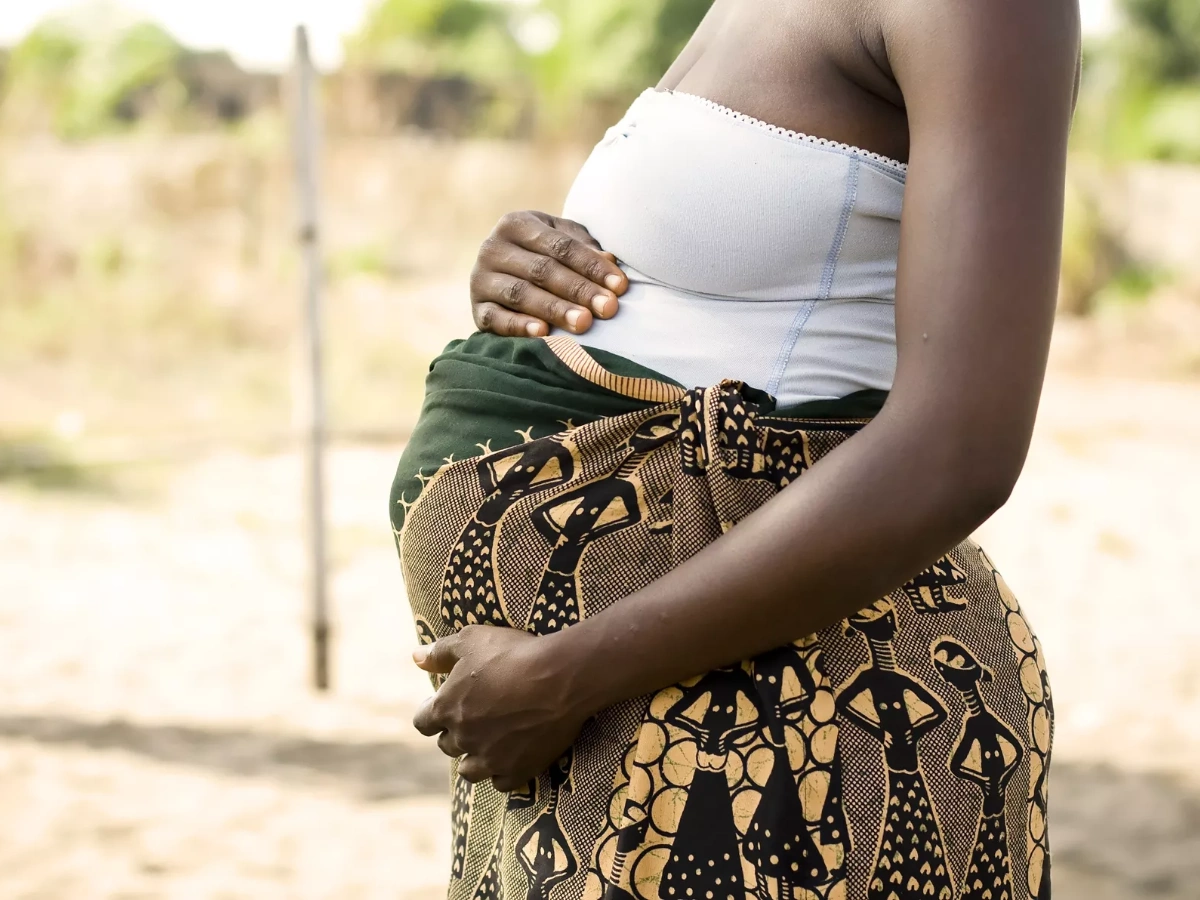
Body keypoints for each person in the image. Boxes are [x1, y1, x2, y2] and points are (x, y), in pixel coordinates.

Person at [392, 1, 1079, 898]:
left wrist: (567, 674)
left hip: (789, 719)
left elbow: (963, 445)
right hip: (630, 710)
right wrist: (529, 270)